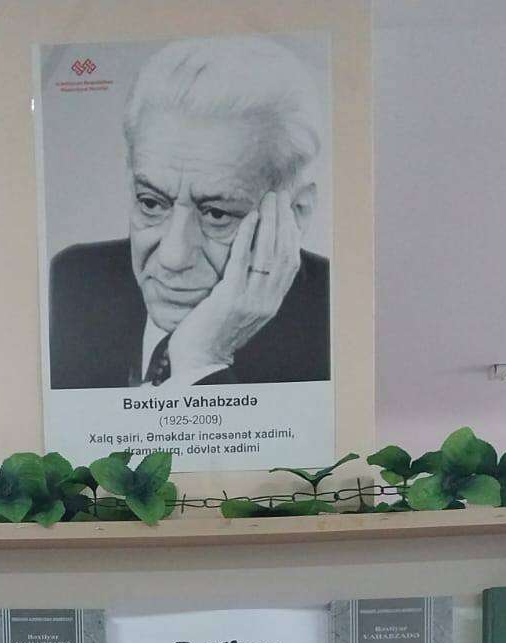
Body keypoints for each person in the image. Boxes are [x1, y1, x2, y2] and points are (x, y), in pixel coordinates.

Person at [48, 35, 329, 390]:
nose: (173, 257)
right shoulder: (77, 280)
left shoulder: (333, 319)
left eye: (217, 214)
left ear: (297, 211)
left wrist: (202, 360)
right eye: (151, 203)